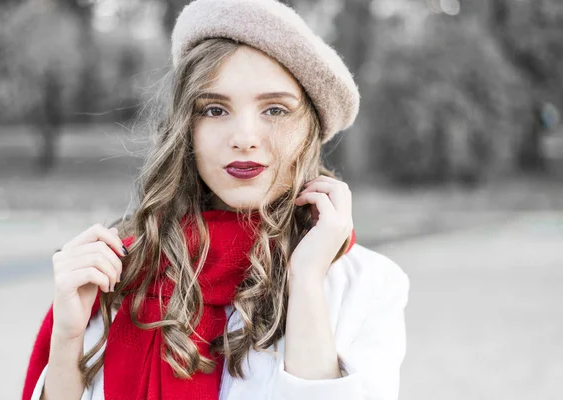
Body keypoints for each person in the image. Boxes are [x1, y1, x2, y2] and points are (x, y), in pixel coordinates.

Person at [22, 0, 410, 399]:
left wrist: (306, 282)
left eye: (275, 109)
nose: (244, 137)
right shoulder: (120, 270)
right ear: (186, 128)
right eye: (214, 109)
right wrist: (67, 334)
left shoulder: (365, 286)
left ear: (309, 129)